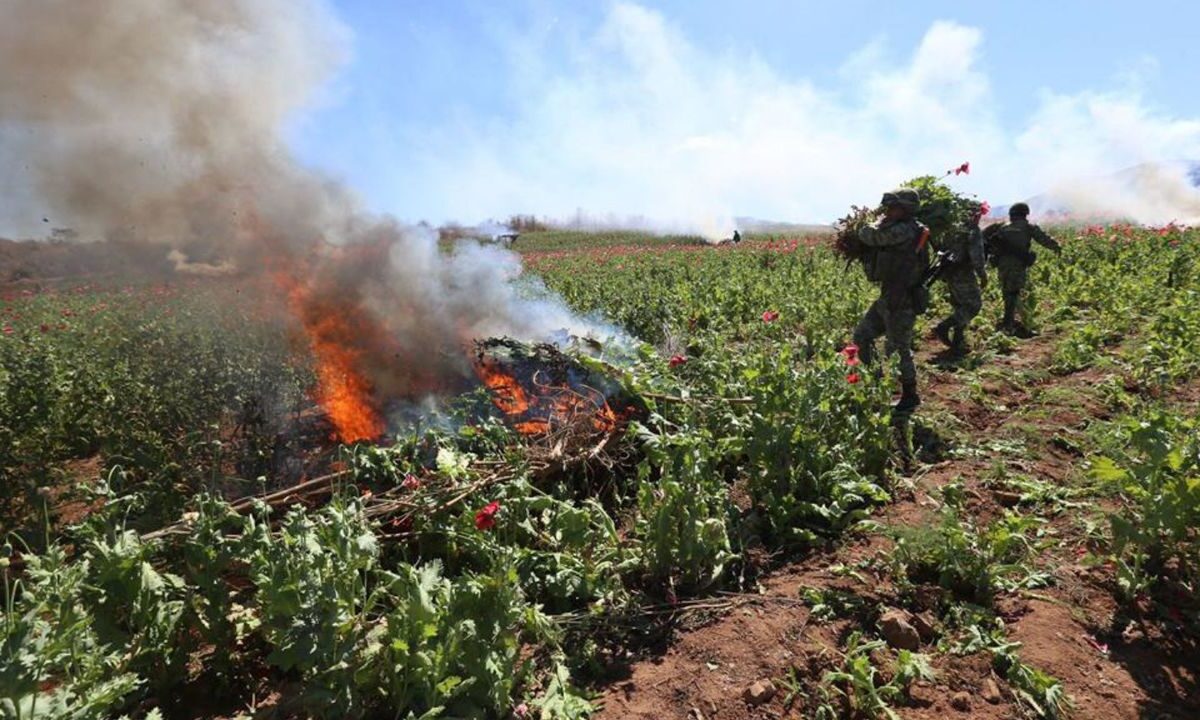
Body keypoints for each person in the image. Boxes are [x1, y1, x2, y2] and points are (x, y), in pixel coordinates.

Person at [852, 188, 931, 413]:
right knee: (862, 336)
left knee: (897, 349)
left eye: (892, 207)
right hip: (889, 297)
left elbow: (870, 236)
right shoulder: (903, 227)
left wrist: (868, 224)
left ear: (906, 209)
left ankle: (909, 395)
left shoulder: (906, 230)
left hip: (902, 299)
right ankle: (876, 382)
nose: (888, 211)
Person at [983, 202, 1062, 335]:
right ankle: (1009, 324)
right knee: (1014, 293)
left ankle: (1009, 322)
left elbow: (984, 237)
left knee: (1007, 292)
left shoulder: (1001, 227)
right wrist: (1056, 247)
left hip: (1002, 264)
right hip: (1018, 264)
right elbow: (1044, 239)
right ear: (1025, 214)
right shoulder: (1028, 227)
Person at [932, 206, 987, 353]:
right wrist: (982, 275)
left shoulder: (951, 229)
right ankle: (943, 326)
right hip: (963, 272)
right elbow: (977, 257)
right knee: (973, 305)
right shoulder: (972, 230)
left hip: (949, 272)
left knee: (960, 306)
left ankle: (958, 341)